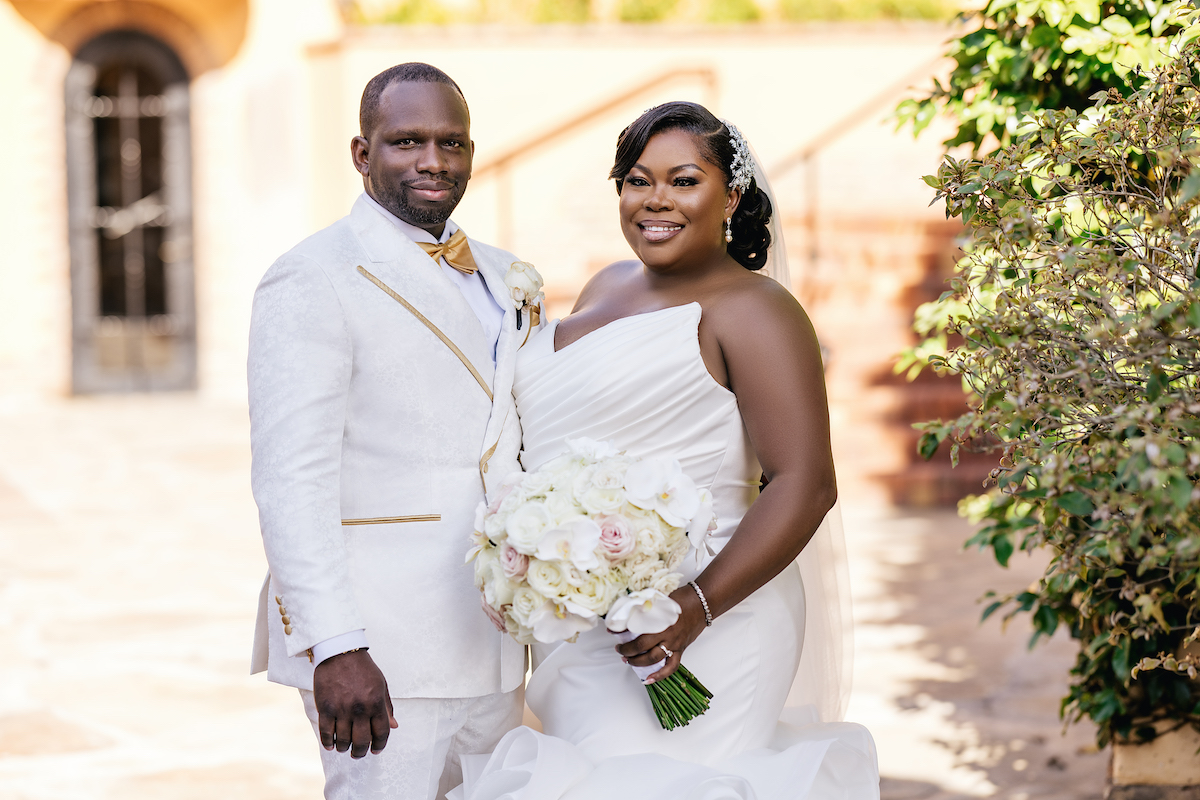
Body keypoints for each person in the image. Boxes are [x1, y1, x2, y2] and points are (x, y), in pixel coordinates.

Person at [449, 102, 879, 799]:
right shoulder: (605, 285)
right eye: (636, 179)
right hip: (587, 620)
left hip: (712, 616)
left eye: (684, 181)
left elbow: (805, 483)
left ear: (731, 196)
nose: (655, 200)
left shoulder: (755, 310)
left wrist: (693, 608)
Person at [247, 63, 539, 800]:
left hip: (497, 633)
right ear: (361, 152)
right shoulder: (313, 277)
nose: (433, 161)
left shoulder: (509, 277)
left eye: (452, 142)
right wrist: (336, 645)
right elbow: (292, 475)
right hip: (382, 642)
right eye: (406, 141)